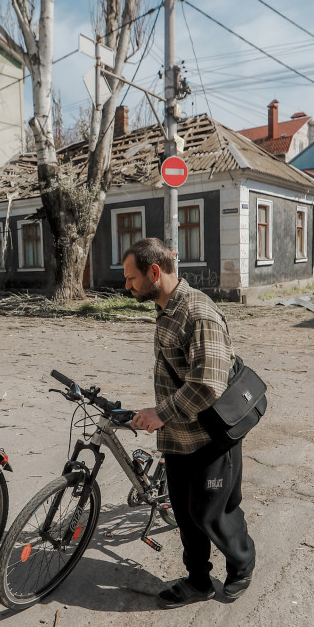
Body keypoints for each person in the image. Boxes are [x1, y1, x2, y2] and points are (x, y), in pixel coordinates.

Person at [124, 238, 256, 607]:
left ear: (155, 272)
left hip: (211, 436)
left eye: (132, 278)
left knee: (212, 512)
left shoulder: (198, 314)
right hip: (179, 436)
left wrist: (160, 413)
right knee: (185, 513)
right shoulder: (167, 308)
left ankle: (242, 564)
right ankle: (198, 580)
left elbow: (208, 385)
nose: (127, 285)